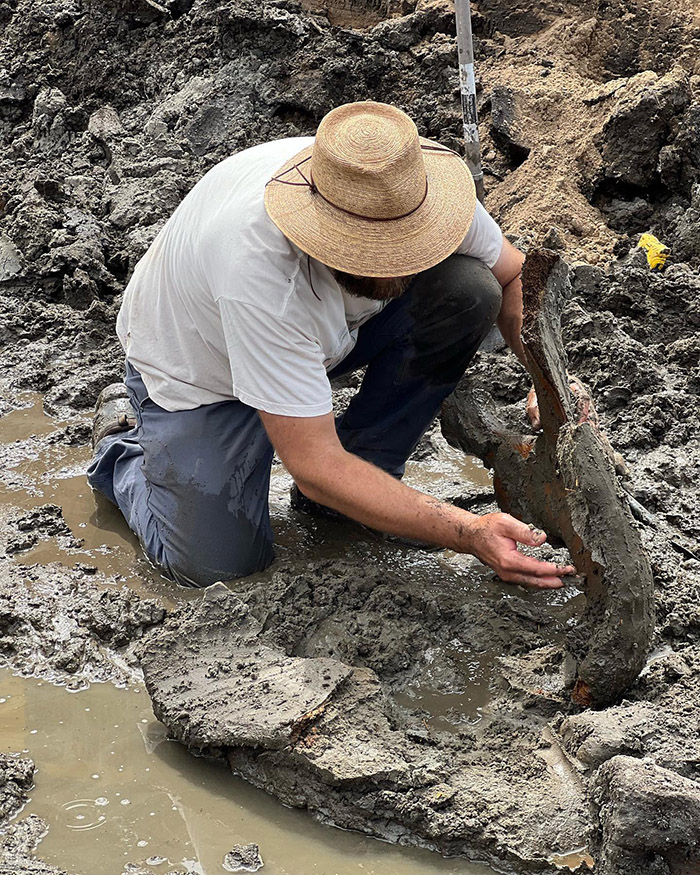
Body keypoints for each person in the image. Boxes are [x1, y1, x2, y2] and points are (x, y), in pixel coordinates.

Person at [87, 100, 574, 589]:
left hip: (323, 335)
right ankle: (123, 444)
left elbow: (515, 279)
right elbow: (313, 466)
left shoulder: (416, 192)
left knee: (469, 291)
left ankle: (365, 476)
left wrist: (549, 382)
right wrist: (468, 531)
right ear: (323, 232)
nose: (394, 263)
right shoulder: (258, 274)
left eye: (406, 244)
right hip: (203, 371)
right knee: (218, 568)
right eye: (371, 251)